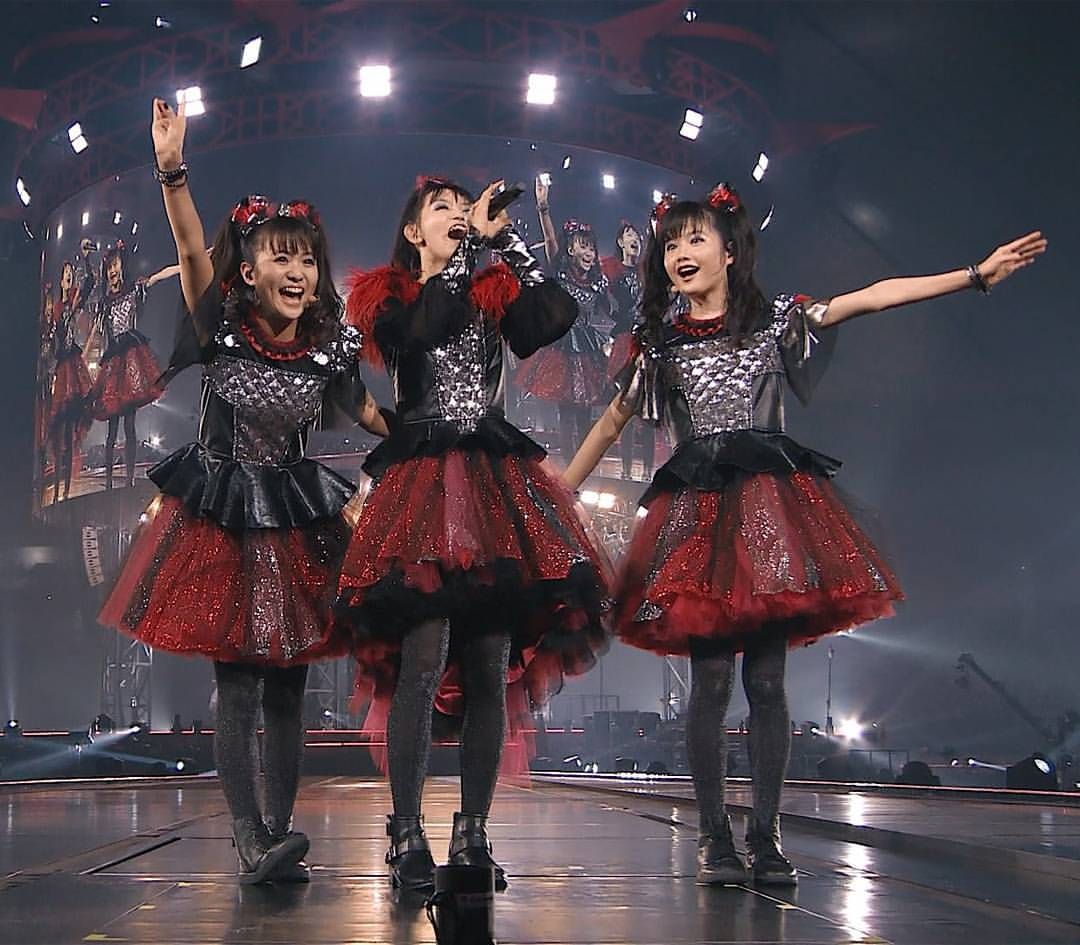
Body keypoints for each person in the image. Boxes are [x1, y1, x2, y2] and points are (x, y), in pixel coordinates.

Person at [564, 183, 1046, 886]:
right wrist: (554, 496)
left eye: (695, 238)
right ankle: (714, 839)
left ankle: (764, 835)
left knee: (765, 678)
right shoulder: (660, 347)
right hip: (696, 515)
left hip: (767, 511)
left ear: (730, 251)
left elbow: (872, 297)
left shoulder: (775, 322)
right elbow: (610, 422)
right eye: (671, 243)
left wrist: (972, 276)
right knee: (709, 683)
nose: (680, 252)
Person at [99, 98, 388, 884]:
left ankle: (280, 832)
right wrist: (172, 168)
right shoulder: (221, 322)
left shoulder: (330, 348)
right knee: (238, 680)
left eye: (307, 259)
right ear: (250, 269)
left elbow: (371, 414)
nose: (296, 272)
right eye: (279, 258)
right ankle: (249, 833)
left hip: (295, 518)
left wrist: (429, 448)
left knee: (291, 685)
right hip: (225, 514)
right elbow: (190, 243)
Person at [340, 176, 609, 893]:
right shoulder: (385, 296)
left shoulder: (486, 279)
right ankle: (405, 831)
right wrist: (466, 261)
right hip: (424, 479)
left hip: (491, 482)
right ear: (412, 232)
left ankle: (472, 831)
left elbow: (552, 318)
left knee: (490, 663)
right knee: (422, 658)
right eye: (444, 209)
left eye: (466, 208)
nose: (460, 216)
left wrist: (509, 245)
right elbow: (423, 327)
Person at [515, 175, 611, 460]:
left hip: (588, 351)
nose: (589, 252)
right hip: (563, 350)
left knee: (585, 415)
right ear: (571, 249)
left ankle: (583, 467)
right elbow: (549, 239)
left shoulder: (598, 283)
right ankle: (570, 471)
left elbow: (612, 312)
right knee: (567, 415)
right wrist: (543, 208)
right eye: (583, 246)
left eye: (592, 248)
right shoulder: (561, 274)